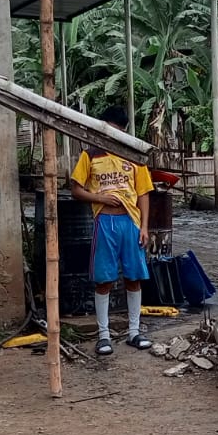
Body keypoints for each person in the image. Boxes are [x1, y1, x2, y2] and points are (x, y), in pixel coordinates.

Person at [68, 106, 154, 355]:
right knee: (104, 279)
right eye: (107, 129)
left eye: (116, 130)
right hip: (105, 222)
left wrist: (144, 227)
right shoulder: (90, 155)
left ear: (123, 131)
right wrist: (100, 198)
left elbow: (143, 193)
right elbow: (76, 190)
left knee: (134, 277)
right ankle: (103, 335)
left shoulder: (135, 156)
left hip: (131, 222)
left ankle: (134, 332)